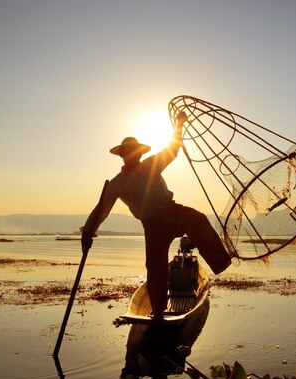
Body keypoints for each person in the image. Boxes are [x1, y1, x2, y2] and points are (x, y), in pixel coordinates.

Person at [81, 114, 231, 319]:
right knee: (155, 267)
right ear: (123, 156)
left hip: (172, 212)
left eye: (135, 152)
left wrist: (179, 125)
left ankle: (221, 261)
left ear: (139, 153)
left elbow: (173, 150)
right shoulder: (118, 183)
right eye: (128, 153)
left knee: (197, 219)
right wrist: (89, 231)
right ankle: (158, 312)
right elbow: (102, 209)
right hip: (152, 226)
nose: (133, 156)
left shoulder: (151, 164)